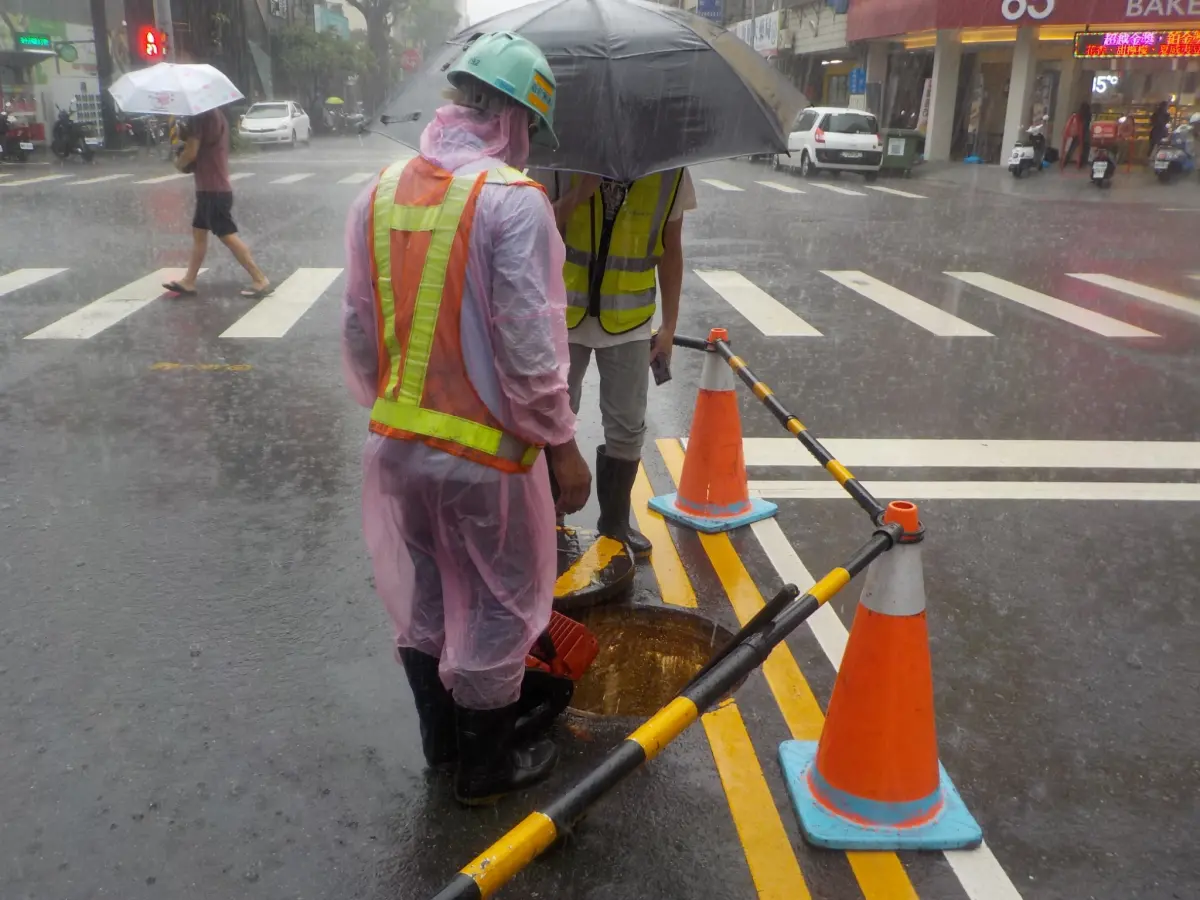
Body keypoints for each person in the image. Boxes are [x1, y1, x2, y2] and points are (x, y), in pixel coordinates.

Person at [340, 31, 591, 805]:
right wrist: (562, 444)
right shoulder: (513, 203)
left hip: (398, 451)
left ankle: (442, 749)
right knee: (495, 608)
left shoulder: (375, 193)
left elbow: (359, 327)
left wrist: (409, 401)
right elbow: (526, 346)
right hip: (487, 465)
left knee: (423, 604)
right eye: (530, 132)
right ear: (515, 118)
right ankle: (486, 771)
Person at [530, 166, 696, 559]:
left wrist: (669, 326)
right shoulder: (560, 161)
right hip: (562, 314)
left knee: (626, 425)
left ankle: (616, 524)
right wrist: (579, 194)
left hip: (630, 320)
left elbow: (671, 248)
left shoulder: (669, 170)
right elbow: (533, 230)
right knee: (551, 423)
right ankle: (549, 521)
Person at [163, 108, 270, 298]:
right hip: (210, 188)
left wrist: (179, 162)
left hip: (213, 189)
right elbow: (204, 145)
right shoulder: (214, 115)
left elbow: (192, 152)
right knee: (199, 233)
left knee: (226, 235)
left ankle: (259, 278)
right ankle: (189, 281)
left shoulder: (202, 116)